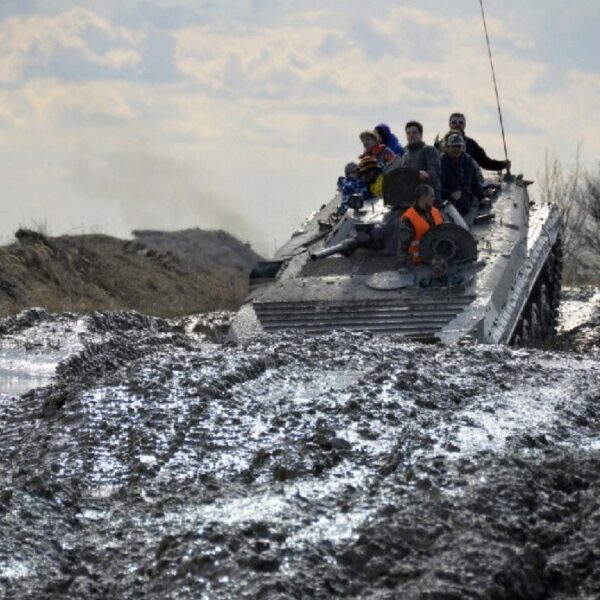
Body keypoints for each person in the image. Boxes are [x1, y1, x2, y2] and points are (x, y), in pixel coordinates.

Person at [396, 184, 444, 269]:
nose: (434, 199)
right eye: (432, 196)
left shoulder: (435, 211)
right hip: (419, 262)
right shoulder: (409, 218)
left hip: (436, 257)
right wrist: (402, 265)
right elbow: (403, 245)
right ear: (423, 197)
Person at [441, 133, 488, 217]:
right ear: (447, 148)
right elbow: (437, 186)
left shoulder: (468, 161)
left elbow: (475, 183)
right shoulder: (440, 163)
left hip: (466, 204)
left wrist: (482, 197)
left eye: (459, 146)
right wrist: (449, 194)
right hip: (447, 206)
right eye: (453, 146)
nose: (456, 149)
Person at [400, 121, 441, 204]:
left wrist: (424, 175)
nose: (411, 135)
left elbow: (434, 174)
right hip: (411, 199)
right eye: (408, 133)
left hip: (429, 199)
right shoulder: (405, 154)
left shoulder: (429, 150)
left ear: (421, 135)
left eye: (414, 132)